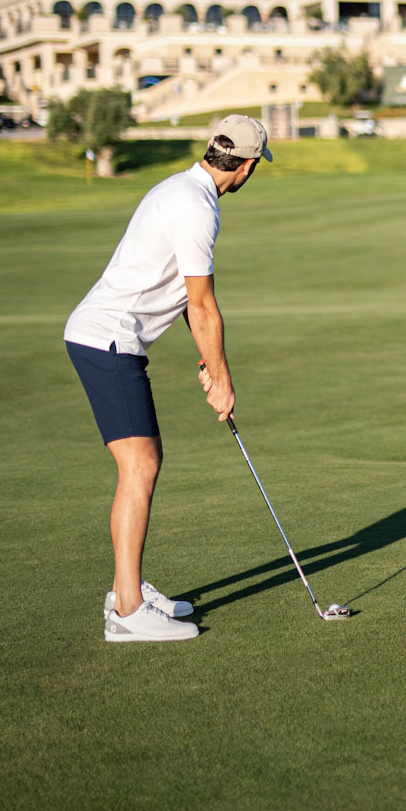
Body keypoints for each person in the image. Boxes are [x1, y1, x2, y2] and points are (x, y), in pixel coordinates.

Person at [64, 114, 271, 642]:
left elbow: (180, 292)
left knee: (143, 461)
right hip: (108, 339)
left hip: (104, 336)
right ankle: (128, 613)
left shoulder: (181, 190)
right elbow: (202, 306)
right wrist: (222, 379)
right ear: (245, 167)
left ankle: (125, 589)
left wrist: (208, 358)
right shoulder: (197, 208)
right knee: (141, 465)